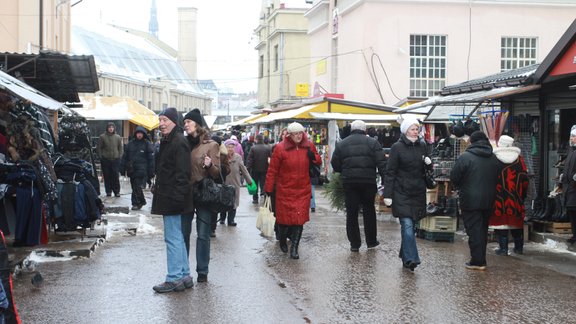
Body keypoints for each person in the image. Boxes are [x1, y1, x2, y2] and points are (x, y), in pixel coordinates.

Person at [150, 107, 193, 293]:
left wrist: (177, 199)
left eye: (165, 120)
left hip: (173, 199)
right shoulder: (170, 141)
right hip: (170, 197)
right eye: (160, 120)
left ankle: (174, 277)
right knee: (178, 238)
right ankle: (184, 275)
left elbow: (183, 174)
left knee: (172, 238)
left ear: (175, 121)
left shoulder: (178, 142)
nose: (161, 124)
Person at [265, 122, 321, 259]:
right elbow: (272, 170)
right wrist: (268, 189)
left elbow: (318, 161)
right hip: (285, 190)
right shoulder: (280, 148)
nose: (298, 136)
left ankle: (294, 248)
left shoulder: (309, 146)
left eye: (300, 133)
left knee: (299, 220)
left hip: (303, 190)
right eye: (295, 134)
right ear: (289, 135)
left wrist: (313, 157)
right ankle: (283, 238)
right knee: (284, 221)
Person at [382, 117, 430, 271]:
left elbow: (426, 170)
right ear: (405, 130)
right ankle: (411, 259)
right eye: (413, 129)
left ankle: (405, 254)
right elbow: (390, 172)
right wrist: (387, 194)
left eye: (417, 129)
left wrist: (429, 164)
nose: (416, 132)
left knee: (412, 226)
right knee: (407, 225)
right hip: (401, 191)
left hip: (417, 191)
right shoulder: (397, 147)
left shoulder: (423, 146)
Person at [332, 120, 387, 253]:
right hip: (368, 181)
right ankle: (371, 241)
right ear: (365, 130)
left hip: (349, 182)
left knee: (352, 212)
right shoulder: (373, 143)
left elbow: (335, 163)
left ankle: (355, 243)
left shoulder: (342, 144)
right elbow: (382, 163)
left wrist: (343, 170)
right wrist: (385, 180)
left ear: (351, 129)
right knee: (369, 210)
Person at [450, 130, 501, 271]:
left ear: (472, 142)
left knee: (474, 230)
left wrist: (460, 186)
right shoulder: (493, 158)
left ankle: (477, 261)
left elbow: (454, 177)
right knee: (482, 229)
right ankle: (480, 259)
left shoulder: (465, 157)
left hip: (470, 199)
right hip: (489, 199)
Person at [182, 109, 221, 283]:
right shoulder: (182, 143)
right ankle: (183, 269)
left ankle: (203, 271)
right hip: (185, 193)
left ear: (197, 124)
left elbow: (217, 173)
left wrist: (210, 164)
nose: (185, 125)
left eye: (188, 122)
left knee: (203, 234)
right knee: (183, 233)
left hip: (203, 193)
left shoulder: (210, 145)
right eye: (184, 122)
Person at [488, 135, 529, 255]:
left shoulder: (494, 159)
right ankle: (519, 247)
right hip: (515, 196)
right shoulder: (519, 160)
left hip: (499, 196)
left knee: (501, 222)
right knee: (515, 221)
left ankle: (503, 248)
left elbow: (490, 178)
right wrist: (523, 194)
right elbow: (525, 179)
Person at [120, 126, 155, 210]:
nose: (139, 135)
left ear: (143, 134)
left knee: (137, 186)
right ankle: (141, 201)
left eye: (141, 133)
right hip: (131, 169)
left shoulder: (147, 144)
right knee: (134, 187)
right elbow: (125, 157)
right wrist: (122, 168)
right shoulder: (130, 144)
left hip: (142, 169)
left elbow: (151, 159)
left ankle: (135, 203)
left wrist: (151, 171)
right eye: (138, 133)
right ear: (135, 134)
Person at [223, 138, 253, 225]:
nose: (230, 149)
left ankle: (231, 220)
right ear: (225, 147)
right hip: (224, 183)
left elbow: (243, 170)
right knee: (223, 201)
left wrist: (249, 181)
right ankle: (222, 218)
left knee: (234, 202)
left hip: (235, 183)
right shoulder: (222, 157)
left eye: (232, 147)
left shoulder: (238, 157)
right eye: (229, 147)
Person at [97, 122, 123, 197]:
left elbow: (120, 148)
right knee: (107, 176)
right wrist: (101, 156)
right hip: (105, 159)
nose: (111, 129)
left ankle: (117, 191)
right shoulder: (102, 137)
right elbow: (99, 148)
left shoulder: (117, 137)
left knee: (115, 176)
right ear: (107, 128)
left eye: (112, 127)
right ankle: (108, 191)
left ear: (114, 128)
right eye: (109, 127)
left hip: (115, 159)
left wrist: (119, 156)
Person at [211, 134, 230, 236]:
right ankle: (206, 226)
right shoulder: (206, 151)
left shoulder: (223, 154)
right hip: (207, 182)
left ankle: (212, 228)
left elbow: (228, 168)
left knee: (214, 207)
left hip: (218, 183)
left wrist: (220, 167)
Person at [247, 134, 271, 204]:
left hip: (255, 170)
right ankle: (263, 195)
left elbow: (250, 160)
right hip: (265, 169)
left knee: (255, 184)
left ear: (256, 139)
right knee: (263, 183)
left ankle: (255, 199)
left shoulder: (253, 148)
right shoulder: (267, 148)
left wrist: (248, 169)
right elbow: (271, 158)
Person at [562, 125, 576, 244]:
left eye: (573, 136)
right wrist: (563, 174)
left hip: (574, 187)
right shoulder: (571, 150)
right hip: (569, 186)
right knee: (571, 211)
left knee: (574, 210)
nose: (571, 138)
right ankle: (574, 235)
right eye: (571, 136)